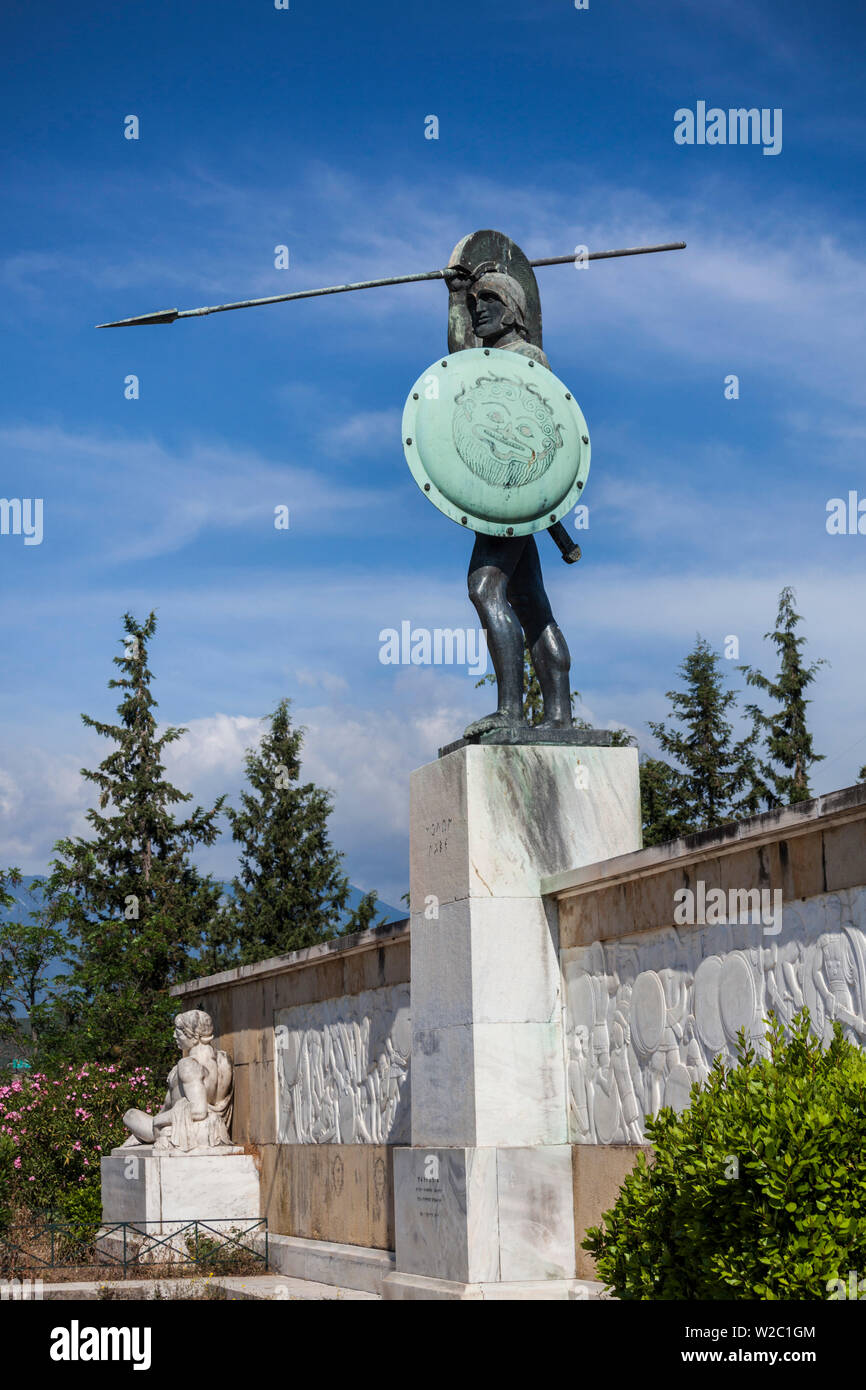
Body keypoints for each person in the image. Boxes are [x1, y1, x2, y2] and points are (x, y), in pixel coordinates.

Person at [447, 262, 573, 737]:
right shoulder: (483, 358)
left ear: (514, 311)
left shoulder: (528, 357)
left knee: (485, 589)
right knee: (531, 602)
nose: (479, 312)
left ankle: (512, 713)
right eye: (476, 305)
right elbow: (457, 360)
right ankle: (558, 714)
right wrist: (457, 296)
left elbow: (544, 433)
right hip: (505, 501)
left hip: (515, 499)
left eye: (489, 303)